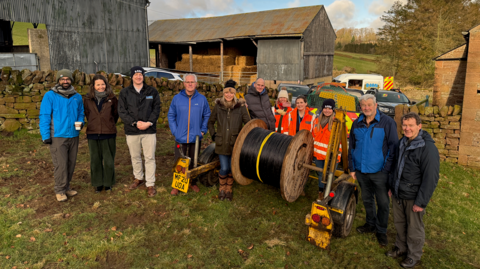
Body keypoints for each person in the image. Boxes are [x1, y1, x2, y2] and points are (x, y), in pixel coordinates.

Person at [386, 112, 439, 268]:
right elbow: (396, 167)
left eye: (410, 125)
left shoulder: (427, 148)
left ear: (419, 126)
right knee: (400, 223)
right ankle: (401, 248)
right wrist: (391, 186)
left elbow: (431, 177)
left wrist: (421, 202)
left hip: (413, 197)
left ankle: (414, 255)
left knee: (414, 227)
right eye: (404, 125)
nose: (407, 128)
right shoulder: (403, 142)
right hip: (398, 193)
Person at [348, 94, 398, 246]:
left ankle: (381, 230)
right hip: (361, 171)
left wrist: (386, 170)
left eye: (369, 105)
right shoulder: (356, 123)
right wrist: (352, 167)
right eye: (363, 105)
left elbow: (393, 148)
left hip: (379, 172)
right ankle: (370, 223)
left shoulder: (387, 122)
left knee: (383, 203)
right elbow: (352, 147)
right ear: (360, 107)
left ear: (376, 105)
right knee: (367, 199)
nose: (366, 108)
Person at [39, 69, 84, 202]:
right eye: (62, 79)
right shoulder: (50, 96)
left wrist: (81, 122)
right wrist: (45, 135)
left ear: (71, 81)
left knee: (71, 163)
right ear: (58, 80)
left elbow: (81, 112)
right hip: (57, 136)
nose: (65, 81)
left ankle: (66, 187)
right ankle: (59, 189)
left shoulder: (77, 96)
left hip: (73, 135)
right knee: (61, 164)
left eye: (68, 79)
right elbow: (44, 115)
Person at [118, 66, 161, 198]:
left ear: (143, 76)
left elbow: (156, 108)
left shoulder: (152, 91)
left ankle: (150, 183)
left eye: (140, 74)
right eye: (136, 75)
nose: (138, 77)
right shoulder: (125, 93)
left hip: (149, 130)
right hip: (132, 130)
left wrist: (149, 123)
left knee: (149, 157)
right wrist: (135, 123)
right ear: (132, 77)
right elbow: (122, 111)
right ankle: (138, 178)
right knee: (135, 156)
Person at [168, 73, 211, 196]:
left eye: (192, 82)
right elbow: (171, 115)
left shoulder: (202, 99)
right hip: (180, 137)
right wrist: (175, 131)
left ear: (196, 84)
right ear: (184, 84)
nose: (190, 84)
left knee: (194, 161)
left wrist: (202, 130)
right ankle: (177, 184)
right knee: (179, 161)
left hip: (195, 137)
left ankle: (192, 182)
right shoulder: (177, 98)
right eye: (188, 82)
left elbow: (207, 114)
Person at [208, 79, 250, 201]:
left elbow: (248, 123)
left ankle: (229, 189)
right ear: (223, 93)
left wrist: (243, 139)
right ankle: (222, 188)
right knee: (225, 167)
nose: (229, 95)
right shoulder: (218, 106)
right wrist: (214, 135)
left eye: (231, 93)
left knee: (232, 168)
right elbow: (211, 122)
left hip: (235, 143)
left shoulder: (240, 107)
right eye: (227, 93)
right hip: (221, 143)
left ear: (234, 94)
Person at [83, 75, 119, 193]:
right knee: (95, 160)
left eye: (103, 84)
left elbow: (115, 115)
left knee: (109, 160)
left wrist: (107, 124)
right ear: (93, 86)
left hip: (108, 133)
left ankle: (108, 183)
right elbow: (88, 114)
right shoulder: (88, 99)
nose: (100, 87)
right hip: (93, 133)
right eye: (98, 84)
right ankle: (98, 183)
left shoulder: (112, 98)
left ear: (106, 85)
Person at [312, 99, 341, 199]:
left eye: (329, 108)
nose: (327, 110)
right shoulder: (316, 121)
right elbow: (312, 136)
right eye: (325, 108)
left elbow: (341, 141)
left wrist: (336, 155)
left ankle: (328, 194)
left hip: (331, 156)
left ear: (333, 110)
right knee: (320, 174)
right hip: (318, 155)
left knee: (329, 176)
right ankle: (321, 193)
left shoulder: (337, 122)